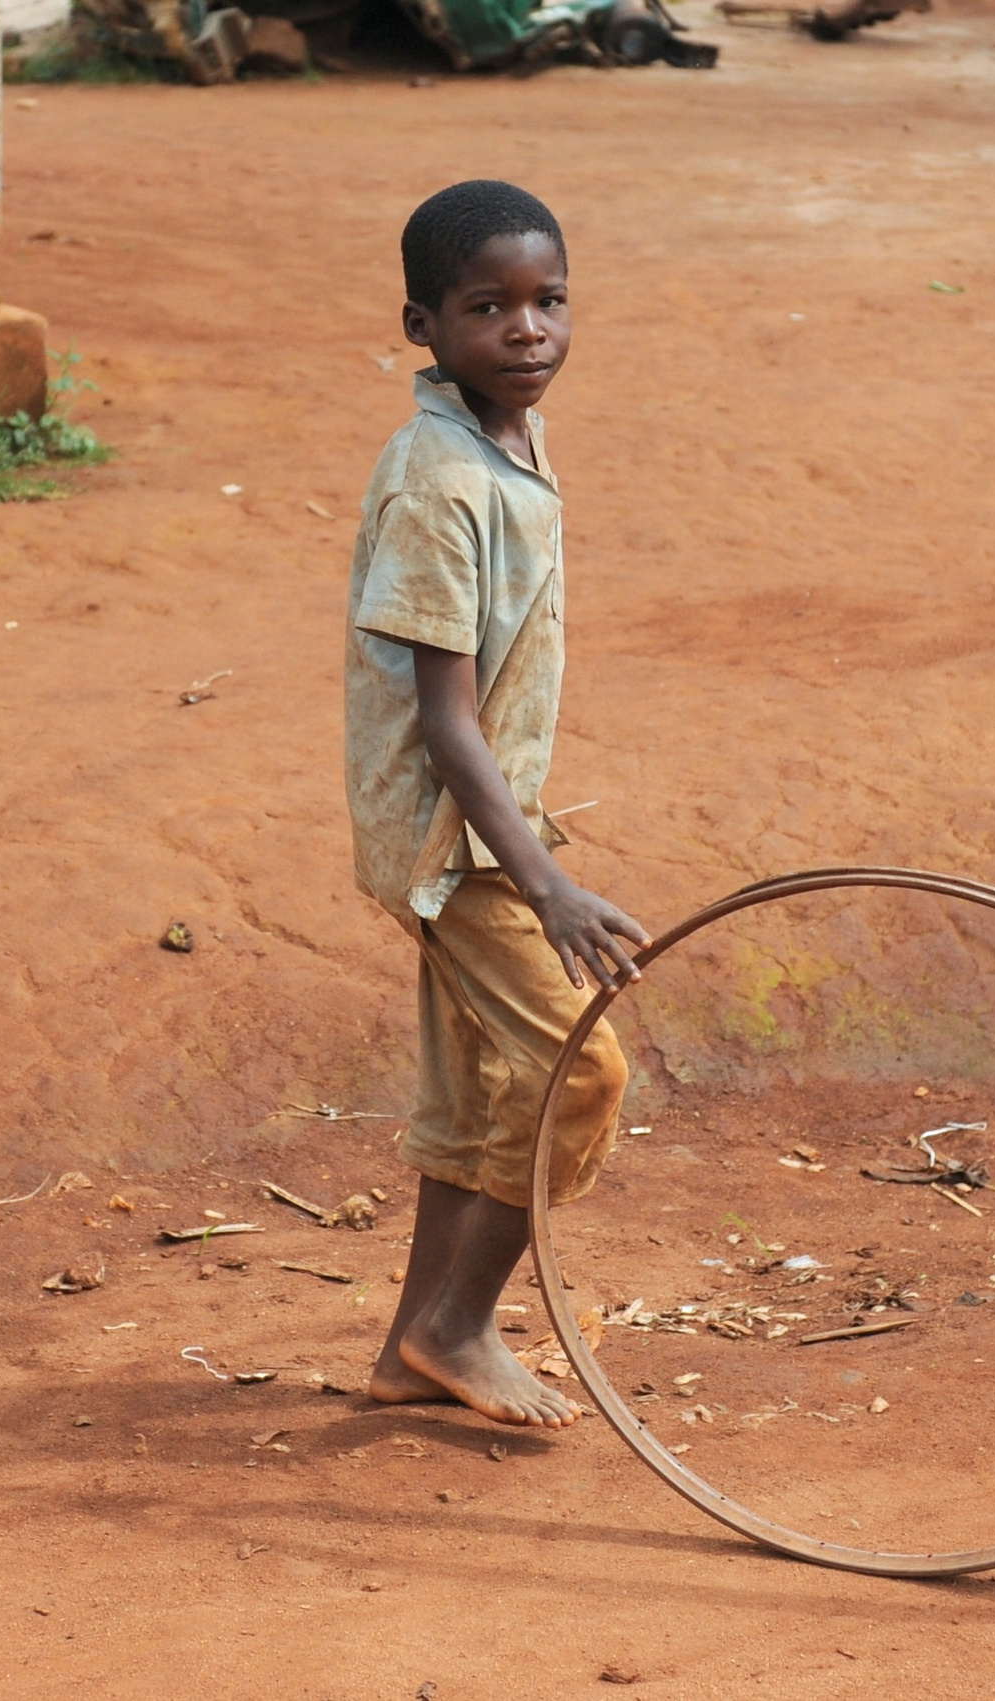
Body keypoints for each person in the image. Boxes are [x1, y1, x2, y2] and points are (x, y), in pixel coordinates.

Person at [345, 179, 648, 1428]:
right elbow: (445, 718)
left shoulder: (508, 440)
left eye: (548, 300)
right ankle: (458, 1325)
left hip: (484, 828)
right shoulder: (440, 482)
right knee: (581, 1075)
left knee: (480, 1092)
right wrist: (548, 884)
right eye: (487, 308)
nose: (527, 330)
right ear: (423, 326)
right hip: (452, 841)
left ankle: (405, 1355)